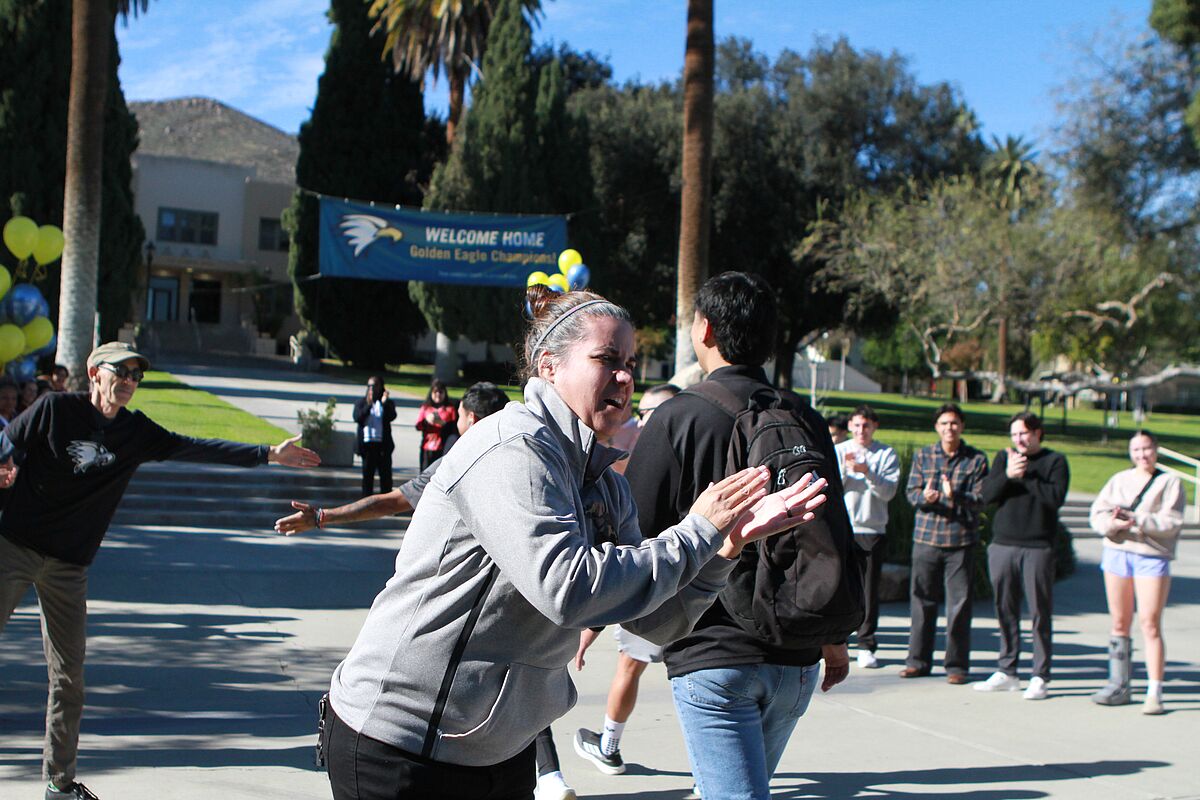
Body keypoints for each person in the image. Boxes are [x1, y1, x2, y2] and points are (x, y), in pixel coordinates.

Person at [321, 288, 829, 800]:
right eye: (607, 359)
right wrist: (696, 531)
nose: (626, 378)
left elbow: (654, 624)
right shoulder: (512, 447)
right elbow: (566, 589)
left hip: (497, 746)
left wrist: (724, 549)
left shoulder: (606, 484)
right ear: (549, 365)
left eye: (630, 364)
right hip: (402, 742)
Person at [0, 342, 320, 800]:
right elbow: (5, 446)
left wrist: (268, 453)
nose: (129, 382)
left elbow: (194, 447)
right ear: (94, 372)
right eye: (121, 372)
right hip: (14, 546)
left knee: (69, 677)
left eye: (136, 376)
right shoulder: (55, 410)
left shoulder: (135, 432)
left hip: (69, 566)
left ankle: (59, 783)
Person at [603, 272, 850, 800]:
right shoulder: (803, 417)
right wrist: (834, 637)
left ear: (705, 329)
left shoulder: (677, 417)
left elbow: (634, 536)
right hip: (796, 656)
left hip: (712, 654)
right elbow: (829, 530)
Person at [573, 384, 680, 774]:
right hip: (689, 586)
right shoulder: (694, 450)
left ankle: (609, 747)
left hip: (658, 587)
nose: (640, 420)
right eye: (641, 412)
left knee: (632, 667)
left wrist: (593, 624)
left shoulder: (644, 467)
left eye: (649, 413)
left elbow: (627, 549)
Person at [276, 382, 510, 535]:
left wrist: (321, 516)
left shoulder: (455, 466)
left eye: (459, 416)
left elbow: (390, 502)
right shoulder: (524, 461)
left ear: (471, 419)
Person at [1088, 431, 1184, 715]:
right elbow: (1097, 514)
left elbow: (1172, 522)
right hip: (1117, 552)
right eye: (1136, 450)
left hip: (1151, 556)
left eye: (1147, 448)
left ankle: (1155, 691)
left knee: (1149, 623)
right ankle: (1119, 683)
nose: (1142, 455)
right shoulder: (1119, 479)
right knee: (1119, 622)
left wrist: (1137, 519)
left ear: (1156, 449)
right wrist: (1113, 525)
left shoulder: (1169, 482)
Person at [974, 412, 1069, 700]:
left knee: (1039, 612)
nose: (1019, 439)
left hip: (1038, 547)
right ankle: (1008, 670)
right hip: (1003, 544)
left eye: (1024, 433)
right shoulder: (1005, 458)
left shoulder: (1055, 461)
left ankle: (1040, 675)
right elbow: (987, 496)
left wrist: (1025, 476)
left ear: (1038, 433)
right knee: (1005, 609)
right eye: (1014, 434)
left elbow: (1055, 499)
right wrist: (1007, 475)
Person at [900, 403, 988, 684]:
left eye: (954, 423)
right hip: (926, 539)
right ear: (936, 427)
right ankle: (917, 661)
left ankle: (956, 666)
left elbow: (981, 499)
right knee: (921, 603)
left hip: (960, 541)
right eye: (944, 423)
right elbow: (911, 493)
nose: (949, 428)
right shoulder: (924, 456)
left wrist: (955, 495)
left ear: (962, 426)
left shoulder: (976, 459)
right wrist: (925, 497)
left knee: (959, 606)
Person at [835, 404, 900, 670]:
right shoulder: (839, 451)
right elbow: (829, 488)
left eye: (867, 426)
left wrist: (867, 472)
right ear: (850, 426)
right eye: (857, 425)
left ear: (875, 427)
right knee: (837, 587)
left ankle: (866, 644)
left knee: (868, 590)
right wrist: (845, 471)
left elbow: (888, 492)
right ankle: (836, 642)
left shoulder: (885, 454)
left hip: (872, 530)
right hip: (842, 528)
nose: (862, 430)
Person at [352, 375, 397, 497]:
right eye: (369, 386)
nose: (372, 388)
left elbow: (392, 416)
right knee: (367, 478)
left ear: (381, 387)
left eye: (375, 386)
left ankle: (386, 505)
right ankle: (367, 504)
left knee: (386, 478)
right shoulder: (361, 402)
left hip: (383, 446)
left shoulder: (387, 403)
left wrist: (383, 403)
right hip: (367, 446)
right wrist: (369, 405)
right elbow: (357, 417)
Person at [416, 377, 457, 470]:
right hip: (427, 447)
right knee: (425, 472)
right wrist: (426, 421)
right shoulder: (425, 407)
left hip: (443, 448)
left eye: (441, 392)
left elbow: (454, 429)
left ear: (445, 393)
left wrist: (443, 423)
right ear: (431, 393)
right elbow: (418, 426)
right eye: (435, 392)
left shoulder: (450, 408)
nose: (438, 394)